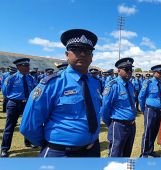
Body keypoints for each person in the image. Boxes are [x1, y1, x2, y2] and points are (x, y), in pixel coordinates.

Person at [20, 29, 102, 157]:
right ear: (67, 54)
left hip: (93, 150)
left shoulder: (95, 83)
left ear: (92, 56)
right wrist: (50, 144)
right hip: (60, 153)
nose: (82, 54)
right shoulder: (52, 83)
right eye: (75, 49)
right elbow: (29, 125)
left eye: (87, 51)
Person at [101, 57, 137, 157]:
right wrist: (112, 123)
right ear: (119, 71)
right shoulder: (113, 85)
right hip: (119, 125)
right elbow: (105, 108)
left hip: (131, 124)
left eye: (131, 69)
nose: (129, 72)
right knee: (115, 153)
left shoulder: (130, 84)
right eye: (126, 69)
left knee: (127, 152)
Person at [1, 58, 36, 157]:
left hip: (27, 104)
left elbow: (34, 89)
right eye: (26, 66)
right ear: (19, 67)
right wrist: (15, 98)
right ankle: (4, 148)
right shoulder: (11, 78)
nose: (28, 68)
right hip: (14, 104)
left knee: (27, 124)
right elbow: (5, 92)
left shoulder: (30, 78)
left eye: (28, 65)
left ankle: (28, 142)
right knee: (10, 126)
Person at [138, 65, 161, 157]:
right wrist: (143, 109)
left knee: (154, 131)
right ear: (154, 73)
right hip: (150, 109)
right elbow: (141, 97)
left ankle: (150, 150)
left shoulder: (160, 83)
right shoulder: (148, 82)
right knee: (148, 131)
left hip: (158, 110)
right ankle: (144, 153)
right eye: (159, 73)